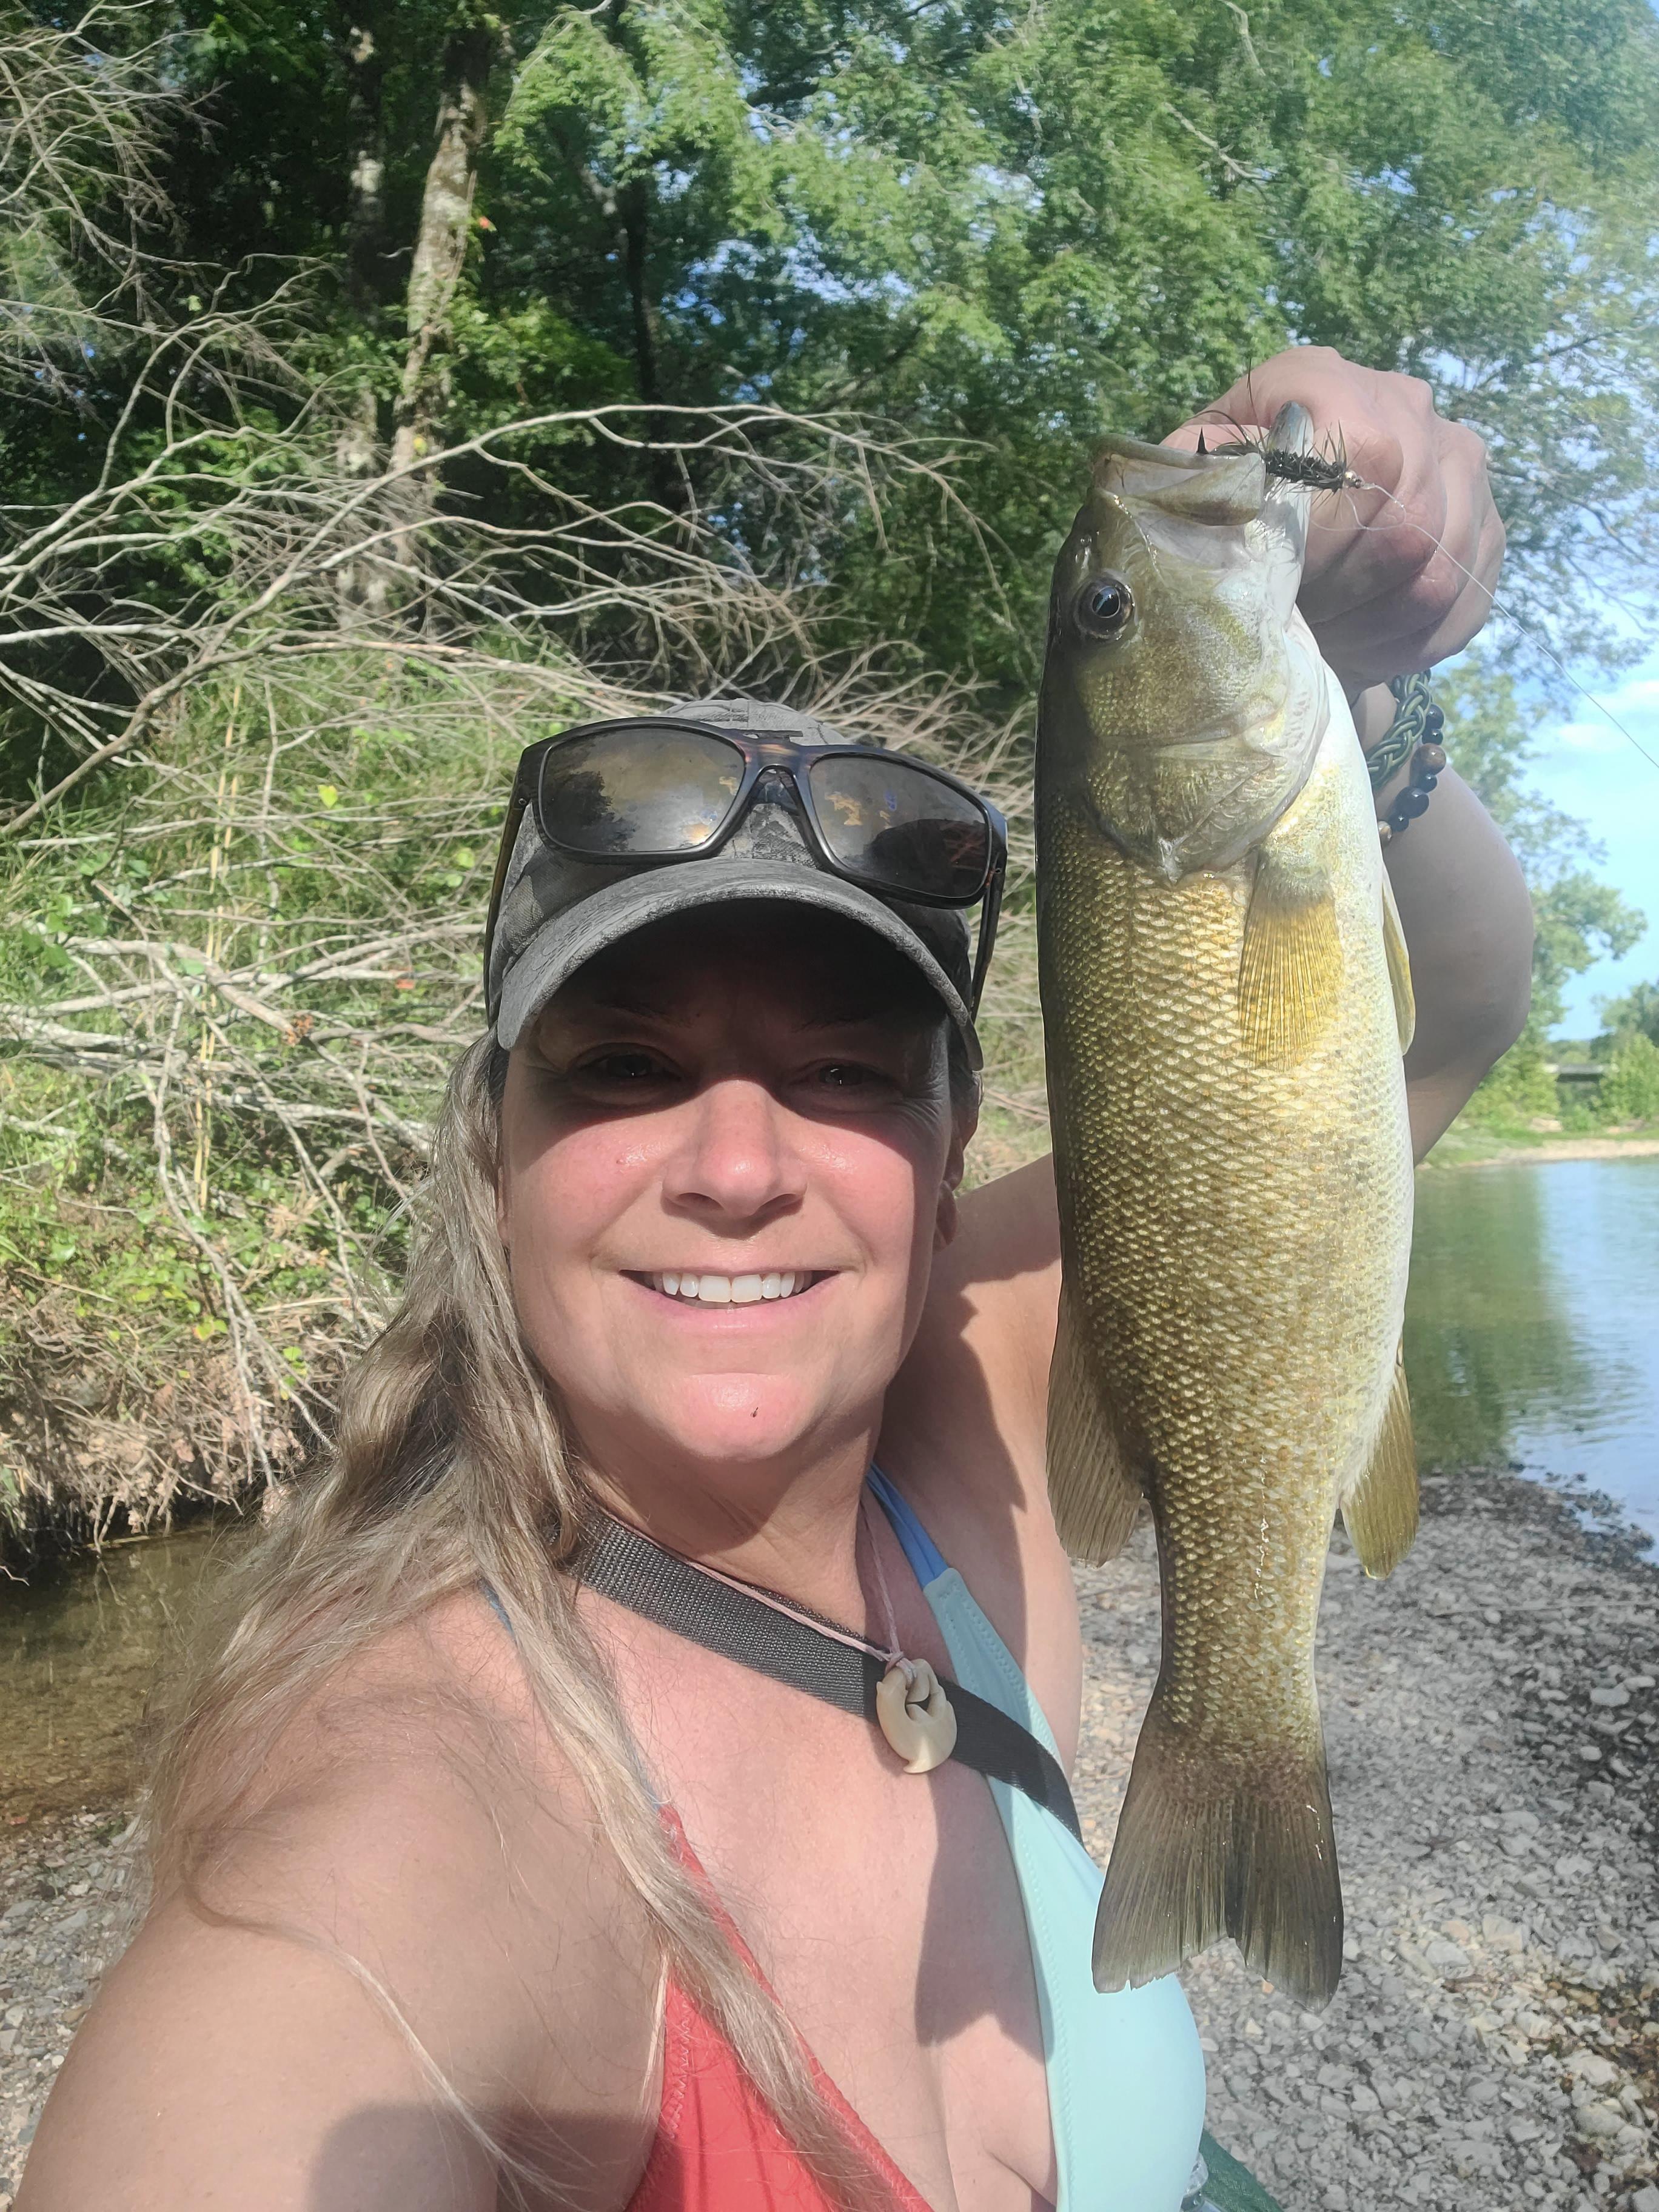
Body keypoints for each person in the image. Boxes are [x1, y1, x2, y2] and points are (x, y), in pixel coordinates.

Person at [17, 349, 1532, 2212]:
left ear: (945, 1142)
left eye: (842, 1074)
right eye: (628, 1068)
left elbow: (1442, 1007)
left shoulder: (967, 1413)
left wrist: (1376, 696)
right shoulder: (388, 1849)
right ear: (492, 1138)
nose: (739, 1173)